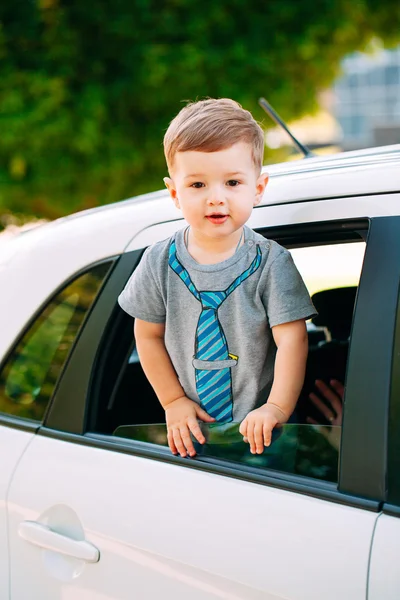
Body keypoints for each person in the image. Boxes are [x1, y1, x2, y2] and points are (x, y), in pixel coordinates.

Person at [118, 98, 317, 458]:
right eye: (197, 185)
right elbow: (146, 335)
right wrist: (173, 400)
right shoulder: (158, 261)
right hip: (192, 436)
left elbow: (293, 341)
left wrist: (275, 409)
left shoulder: (272, 263)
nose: (216, 198)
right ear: (174, 192)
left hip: (267, 435)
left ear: (258, 188)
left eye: (232, 182)